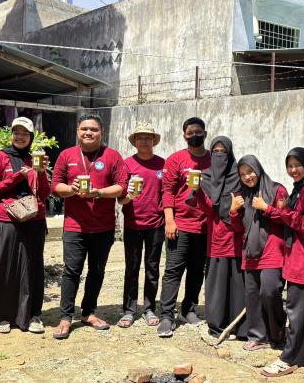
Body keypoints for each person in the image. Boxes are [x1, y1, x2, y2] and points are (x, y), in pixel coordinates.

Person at [51, 114, 128, 339]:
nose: (88, 132)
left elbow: (122, 186)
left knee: (97, 271)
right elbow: (55, 186)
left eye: (93, 129)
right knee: (71, 271)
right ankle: (66, 317)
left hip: (103, 226)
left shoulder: (112, 156)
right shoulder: (66, 155)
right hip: (75, 226)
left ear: (101, 132)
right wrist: (71, 189)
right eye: (84, 128)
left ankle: (88, 312)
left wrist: (99, 192)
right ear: (77, 132)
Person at [261, 147, 304, 377]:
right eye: (289, 166)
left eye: (297, 165)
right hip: (299, 257)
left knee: (297, 310)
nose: (293, 170)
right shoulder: (301, 189)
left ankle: (290, 358)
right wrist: (283, 210)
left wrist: (283, 212)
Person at [0, 117, 51, 334]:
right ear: (11, 134)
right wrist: (16, 178)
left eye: (25, 133)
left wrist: (41, 173)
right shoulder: (0, 157)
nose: (20, 137)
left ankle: (31, 315)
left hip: (34, 220)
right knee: (6, 267)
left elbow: (44, 194)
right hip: (7, 219)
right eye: (16, 132)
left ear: (31, 137)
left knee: (32, 267)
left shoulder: (35, 158)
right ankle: (3, 316)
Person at [157, 117, 211, 338]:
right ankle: (166, 315)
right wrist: (170, 220)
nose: (194, 136)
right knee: (173, 271)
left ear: (205, 134)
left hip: (205, 226)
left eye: (198, 132)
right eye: (190, 133)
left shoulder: (213, 159)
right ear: (184, 135)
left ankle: (188, 309)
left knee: (197, 270)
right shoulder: (176, 159)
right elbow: (167, 191)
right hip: (180, 225)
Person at [230, 155, 288, 351]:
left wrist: (266, 208)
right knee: (253, 295)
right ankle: (257, 336)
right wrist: (233, 211)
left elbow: (287, 218)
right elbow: (239, 228)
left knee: (269, 291)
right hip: (250, 251)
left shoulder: (277, 190)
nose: (247, 177)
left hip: (273, 249)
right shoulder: (241, 195)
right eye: (242, 174)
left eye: (250, 171)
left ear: (258, 169)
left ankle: (277, 334)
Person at [195, 136, 247, 339]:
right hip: (217, 238)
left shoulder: (239, 177)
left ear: (230, 153)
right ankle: (217, 326)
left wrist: (235, 211)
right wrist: (197, 191)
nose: (219, 155)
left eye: (223, 152)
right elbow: (209, 210)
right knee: (217, 285)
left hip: (237, 236)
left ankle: (240, 327)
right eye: (215, 152)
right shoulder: (206, 177)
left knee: (238, 285)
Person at [116, 123, 165, 328]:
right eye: (139, 137)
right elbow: (120, 199)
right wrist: (129, 196)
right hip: (133, 224)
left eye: (147, 137)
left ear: (154, 140)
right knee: (132, 267)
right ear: (134, 141)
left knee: (153, 267)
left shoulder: (163, 164)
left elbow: (168, 193)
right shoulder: (126, 164)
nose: (144, 141)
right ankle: (129, 310)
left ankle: (149, 308)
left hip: (157, 224)